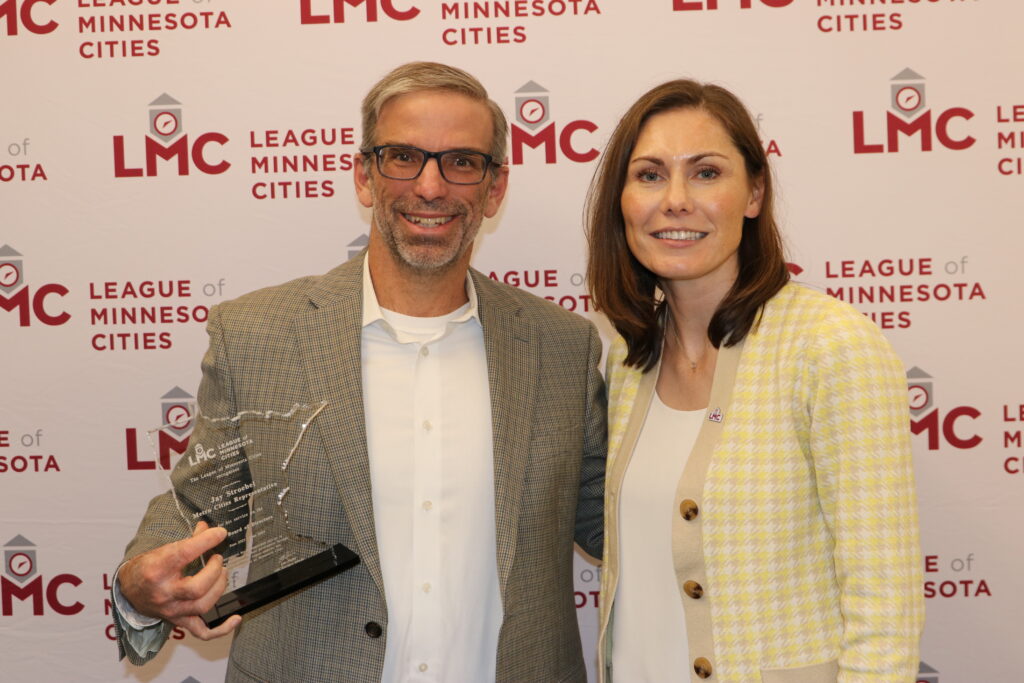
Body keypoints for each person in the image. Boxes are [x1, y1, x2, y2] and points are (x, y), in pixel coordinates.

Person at [112, 61, 606, 683]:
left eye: (461, 162)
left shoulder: (564, 347)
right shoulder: (259, 334)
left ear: (495, 187)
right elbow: (202, 506)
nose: (430, 187)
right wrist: (142, 580)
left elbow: (618, 515)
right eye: (403, 156)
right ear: (364, 175)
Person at [587, 79, 923, 682]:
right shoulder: (621, 359)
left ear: (754, 193)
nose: (677, 200)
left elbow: (885, 605)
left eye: (707, 173)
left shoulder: (830, 345)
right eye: (650, 175)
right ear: (621, 200)